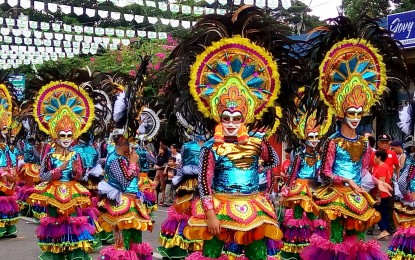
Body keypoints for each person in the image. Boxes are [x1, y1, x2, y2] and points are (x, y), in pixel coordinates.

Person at [300, 15, 408, 259]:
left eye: (359, 112)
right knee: (336, 242)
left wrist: (378, 182)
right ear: (341, 112)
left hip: (359, 196)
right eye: (351, 112)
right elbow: (325, 173)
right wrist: (346, 182)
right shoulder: (333, 141)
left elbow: (365, 170)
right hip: (338, 198)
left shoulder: (364, 142)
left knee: (359, 243)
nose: (356, 117)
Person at [28, 81, 96, 259]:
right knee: (54, 224)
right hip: (52, 193)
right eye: (62, 135)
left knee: (73, 222)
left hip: (72, 192)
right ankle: (56, 255)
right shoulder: (49, 156)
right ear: (55, 135)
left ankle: (73, 254)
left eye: (69, 135)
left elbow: (80, 177)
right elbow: (41, 175)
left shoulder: (76, 155)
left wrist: (76, 172)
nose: (66, 139)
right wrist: (58, 170)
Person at [279, 89, 331, 259]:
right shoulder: (299, 155)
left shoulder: (319, 156)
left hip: (314, 189)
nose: (315, 139)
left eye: (317, 136)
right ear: (304, 137)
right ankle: (296, 250)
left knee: (314, 218)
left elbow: (322, 173)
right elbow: (292, 174)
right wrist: (286, 191)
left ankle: (313, 248)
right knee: (298, 219)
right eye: (311, 136)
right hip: (299, 190)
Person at [157, 135, 206, 259]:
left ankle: (184, 249)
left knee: (187, 213)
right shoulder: (209, 146)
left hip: (191, 182)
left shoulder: (190, 146)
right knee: (188, 214)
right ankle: (190, 250)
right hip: (196, 182)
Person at [388, 135, 415, 259]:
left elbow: (402, 182)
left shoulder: (410, 162)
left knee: (408, 234)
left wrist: (406, 194)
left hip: (411, 201)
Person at [372, 150, 393, 240]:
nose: (374, 158)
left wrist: (378, 196)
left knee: (376, 213)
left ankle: (384, 230)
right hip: (384, 194)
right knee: (384, 213)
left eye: (375, 156)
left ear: (379, 157)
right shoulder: (385, 166)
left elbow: (382, 183)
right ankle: (385, 231)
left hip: (382, 195)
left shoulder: (381, 168)